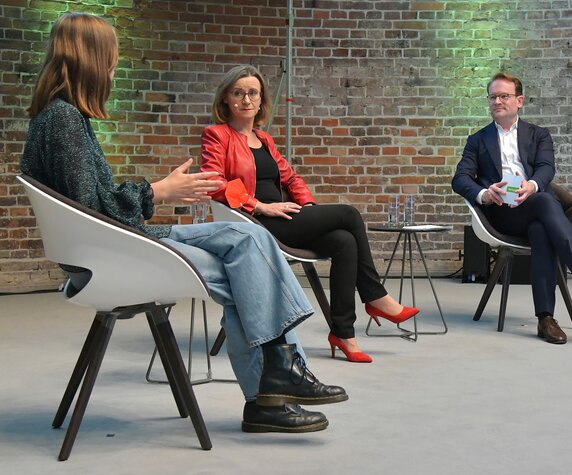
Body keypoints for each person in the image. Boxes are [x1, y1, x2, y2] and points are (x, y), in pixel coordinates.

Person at [21, 12, 348, 434]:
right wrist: (158, 192)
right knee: (245, 265)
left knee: (248, 237)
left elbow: (91, 201)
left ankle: (279, 380)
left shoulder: (59, 117)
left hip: (119, 243)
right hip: (116, 252)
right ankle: (274, 388)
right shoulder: (63, 120)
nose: (114, 67)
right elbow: (93, 206)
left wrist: (157, 191)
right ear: (90, 58)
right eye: (111, 58)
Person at [200, 65, 419, 363]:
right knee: (350, 215)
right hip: (255, 223)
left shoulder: (264, 140)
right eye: (238, 93)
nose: (246, 100)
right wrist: (259, 206)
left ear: (262, 99)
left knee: (344, 240)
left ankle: (343, 333)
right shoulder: (217, 135)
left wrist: (310, 209)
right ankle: (375, 296)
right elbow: (213, 182)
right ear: (226, 98)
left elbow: (291, 179)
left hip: (285, 219)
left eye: (253, 93)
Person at [452, 72, 572, 345]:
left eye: (504, 96)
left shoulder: (538, 135)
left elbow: (546, 168)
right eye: (493, 96)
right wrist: (484, 193)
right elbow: (459, 179)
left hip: (533, 208)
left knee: (541, 227)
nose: (497, 101)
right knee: (545, 201)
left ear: (519, 101)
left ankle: (546, 319)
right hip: (502, 215)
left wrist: (531, 185)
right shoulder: (478, 140)